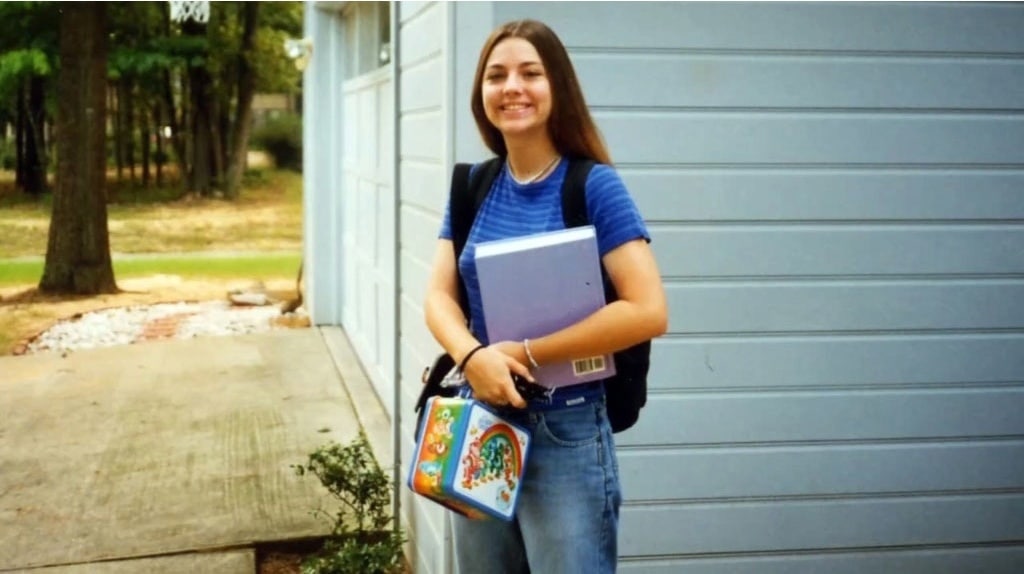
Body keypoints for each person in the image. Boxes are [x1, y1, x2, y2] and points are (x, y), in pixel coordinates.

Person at [423, 18, 668, 573]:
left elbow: (648, 309)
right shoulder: (470, 187)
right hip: (482, 424)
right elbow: (438, 296)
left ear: (557, 88)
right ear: (480, 92)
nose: (512, 87)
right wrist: (474, 356)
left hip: (569, 429)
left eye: (530, 73)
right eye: (496, 75)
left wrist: (525, 353)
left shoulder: (594, 185)